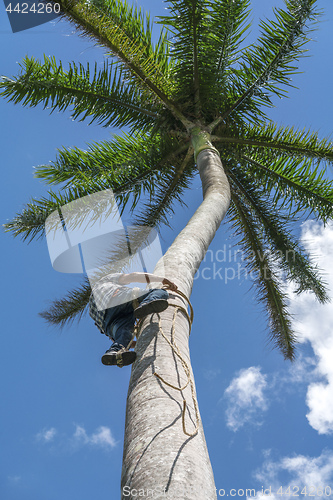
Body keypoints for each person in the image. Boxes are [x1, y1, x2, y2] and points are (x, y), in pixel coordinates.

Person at [89, 271, 178, 367]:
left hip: (109, 321)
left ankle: (115, 352)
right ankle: (146, 303)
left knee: (124, 334)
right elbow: (132, 276)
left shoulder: (92, 309)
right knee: (159, 292)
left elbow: (114, 337)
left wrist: (136, 343)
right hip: (116, 298)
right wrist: (162, 279)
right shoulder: (106, 280)